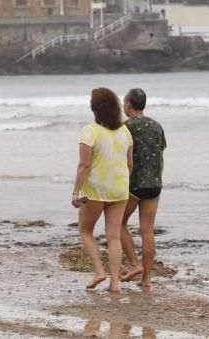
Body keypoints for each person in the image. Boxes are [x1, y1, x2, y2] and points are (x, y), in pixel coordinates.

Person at [72, 87, 133, 293]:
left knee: (86, 230)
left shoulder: (90, 131)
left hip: (96, 189)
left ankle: (99, 271)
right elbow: (130, 164)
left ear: (94, 108)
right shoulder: (125, 131)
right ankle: (115, 283)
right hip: (120, 188)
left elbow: (84, 165)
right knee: (114, 236)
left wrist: (75, 192)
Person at [118, 88, 167, 290]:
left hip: (133, 185)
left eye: (124, 102)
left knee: (118, 224)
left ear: (129, 104)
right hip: (154, 184)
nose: (123, 105)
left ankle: (135, 264)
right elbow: (161, 157)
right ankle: (146, 279)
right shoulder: (157, 126)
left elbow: (121, 157)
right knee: (147, 230)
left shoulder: (125, 127)